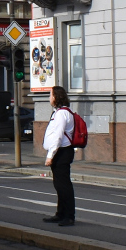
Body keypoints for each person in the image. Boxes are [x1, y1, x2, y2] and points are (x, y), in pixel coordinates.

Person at [42, 85, 76, 226]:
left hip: (62, 152)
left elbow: (58, 136)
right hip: (60, 152)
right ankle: (60, 214)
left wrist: (50, 155)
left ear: (56, 97)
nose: (49, 98)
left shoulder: (62, 114)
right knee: (59, 185)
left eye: (51, 95)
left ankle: (69, 216)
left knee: (63, 185)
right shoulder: (59, 112)